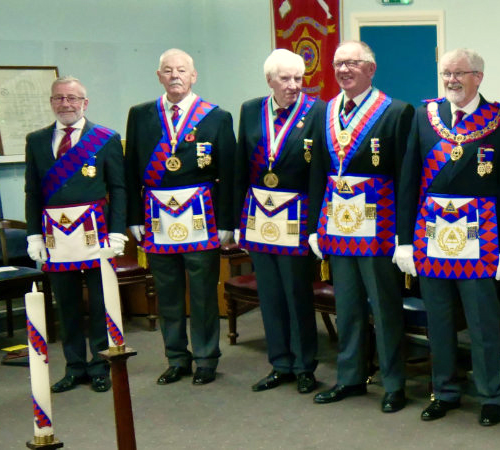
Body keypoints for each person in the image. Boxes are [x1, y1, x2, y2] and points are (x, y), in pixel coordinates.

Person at [395, 48, 500, 426]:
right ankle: (445, 391)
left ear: (478, 77)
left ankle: (490, 395)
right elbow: (408, 183)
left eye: (459, 73)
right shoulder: (424, 117)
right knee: (438, 321)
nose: (451, 80)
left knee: (483, 323)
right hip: (432, 236)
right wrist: (405, 240)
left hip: (481, 239)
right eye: (445, 73)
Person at [308, 41, 415, 413]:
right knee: (348, 307)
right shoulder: (324, 111)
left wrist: (405, 237)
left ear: (371, 69)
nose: (344, 70)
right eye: (339, 63)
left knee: (384, 308)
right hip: (337, 227)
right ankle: (350, 377)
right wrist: (313, 227)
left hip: (379, 228)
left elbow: (405, 179)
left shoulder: (397, 111)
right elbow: (318, 173)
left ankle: (394, 384)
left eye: (352, 63)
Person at [124, 48, 238, 386]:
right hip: (156, 218)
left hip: (202, 218)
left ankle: (205, 358)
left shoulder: (216, 117)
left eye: (182, 70)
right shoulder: (141, 114)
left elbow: (229, 173)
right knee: (168, 292)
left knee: (203, 293)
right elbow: (132, 170)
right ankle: (176, 357)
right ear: (159, 76)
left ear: (193, 76)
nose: (175, 75)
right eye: (168, 70)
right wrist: (134, 216)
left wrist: (228, 222)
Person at [25, 76, 127, 394]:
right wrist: (33, 236)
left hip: (94, 232)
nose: (65, 104)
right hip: (55, 236)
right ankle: (74, 367)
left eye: (72, 98)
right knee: (66, 304)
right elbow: (32, 192)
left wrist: (118, 232)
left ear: (85, 102)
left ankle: (99, 366)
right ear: (51, 102)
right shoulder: (37, 140)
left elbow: (119, 189)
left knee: (99, 303)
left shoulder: (106, 138)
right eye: (58, 98)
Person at [233, 49, 323, 394]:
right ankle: (280, 363)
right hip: (259, 215)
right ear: (269, 80)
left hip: (297, 216)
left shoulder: (316, 111)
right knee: (269, 295)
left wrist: (316, 225)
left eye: (298, 78)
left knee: (297, 293)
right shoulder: (250, 109)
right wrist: (237, 219)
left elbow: (319, 173)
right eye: (285, 78)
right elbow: (242, 163)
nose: (293, 85)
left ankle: (304, 366)